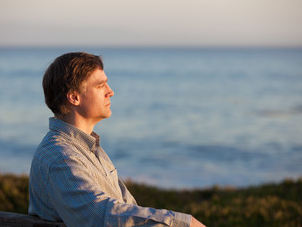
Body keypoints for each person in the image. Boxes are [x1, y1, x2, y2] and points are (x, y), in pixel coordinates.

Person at [28, 52, 206, 227]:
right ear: (74, 97)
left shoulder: (87, 148)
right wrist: (183, 223)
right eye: (100, 85)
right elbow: (99, 216)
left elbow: (126, 207)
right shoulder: (60, 156)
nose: (110, 92)